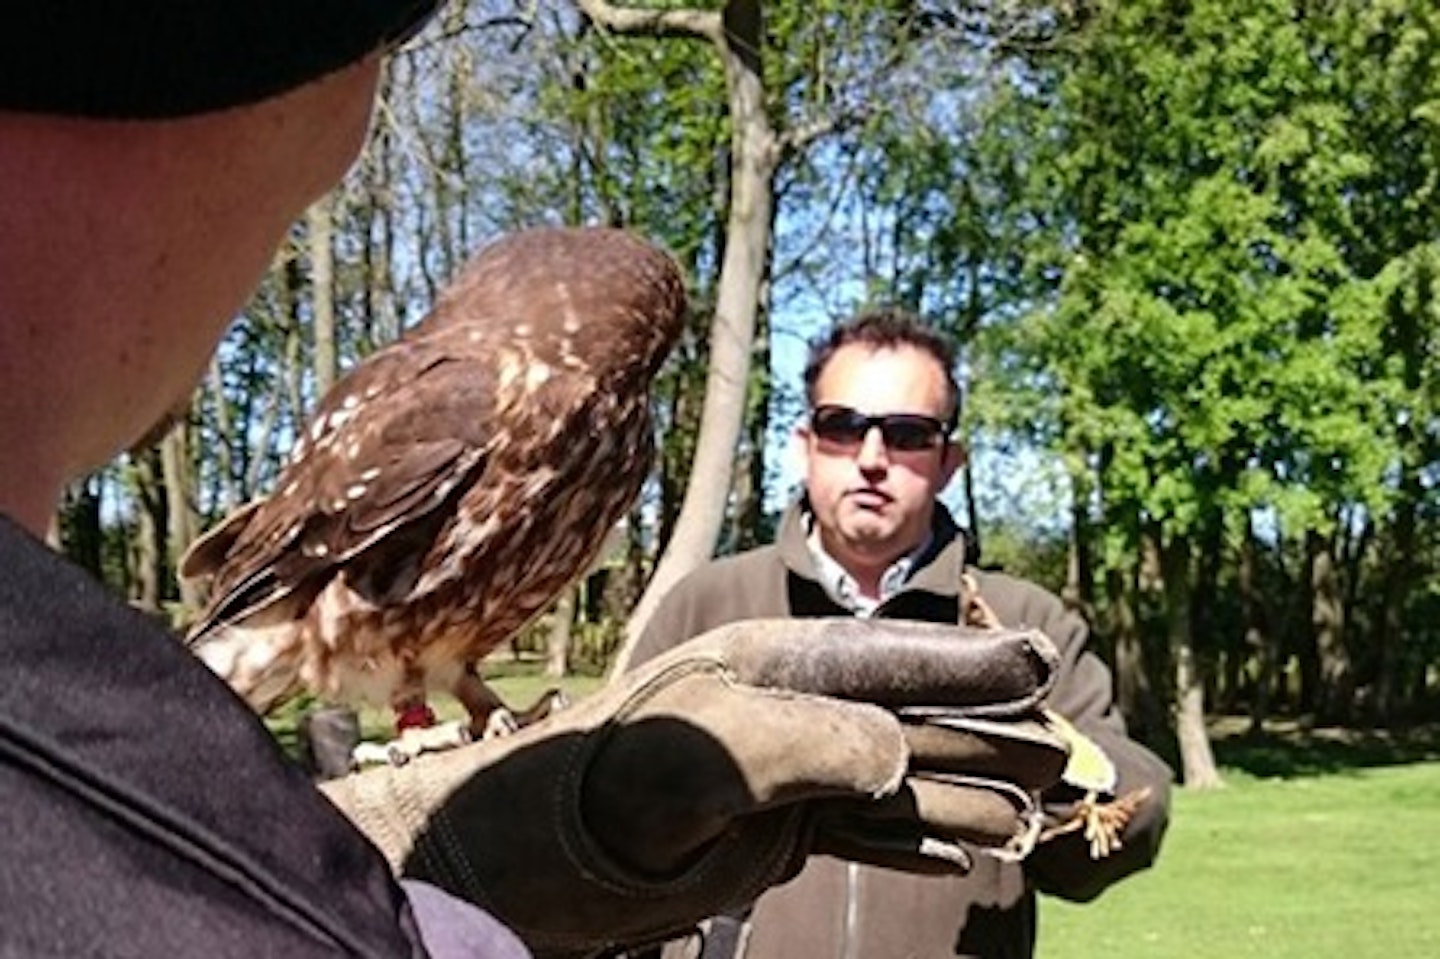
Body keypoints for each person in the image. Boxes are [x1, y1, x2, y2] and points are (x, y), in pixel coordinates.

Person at [0, 7, 1073, 959]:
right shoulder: (463, 391)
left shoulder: (616, 441)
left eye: (906, 430)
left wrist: (451, 850)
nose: (341, 148)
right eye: (844, 422)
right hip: (312, 618)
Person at [628, 308, 1174, 959]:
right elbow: (609, 824)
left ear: (949, 461)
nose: (871, 458)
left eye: (909, 434)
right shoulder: (708, 608)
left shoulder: (1026, 625)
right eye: (842, 426)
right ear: (804, 443)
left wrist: (1053, 764)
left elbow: (1127, 819)